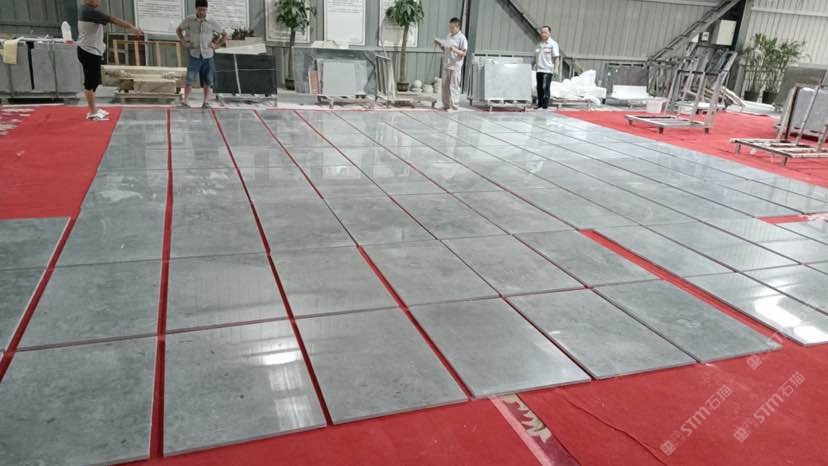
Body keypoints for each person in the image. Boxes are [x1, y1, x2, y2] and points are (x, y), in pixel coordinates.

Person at [76, 0, 143, 120]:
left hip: (91, 50)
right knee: (90, 82)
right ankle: (92, 112)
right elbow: (113, 19)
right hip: (88, 51)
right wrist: (132, 27)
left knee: (95, 80)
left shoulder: (87, 10)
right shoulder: (89, 12)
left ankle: (94, 108)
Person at [177, 0, 226, 108]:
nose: (202, 12)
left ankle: (206, 102)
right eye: (200, 10)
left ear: (206, 9)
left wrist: (216, 45)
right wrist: (184, 42)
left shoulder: (211, 21)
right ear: (196, 9)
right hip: (194, 55)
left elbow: (224, 34)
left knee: (207, 80)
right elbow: (178, 30)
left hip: (208, 56)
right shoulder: (189, 20)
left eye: (204, 10)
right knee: (189, 79)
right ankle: (185, 101)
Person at [434, 17, 468, 112]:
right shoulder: (448, 35)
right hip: (447, 64)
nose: (450, 29)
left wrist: (454, 49)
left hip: (455, 66)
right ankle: (446, 105)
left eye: (452, 27)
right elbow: (446, 49)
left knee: (454, 86)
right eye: (449, 27)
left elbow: (464, 53)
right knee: (444, 86)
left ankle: (454, 106)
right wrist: (440, 45)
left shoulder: (462, 38)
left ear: (458, 27)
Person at [533, 26, 560, 110]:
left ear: (549, 33)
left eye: (545, 32)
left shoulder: (553, 44)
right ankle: (540, 105)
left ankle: (544, 106)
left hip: (547, 70)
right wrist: (531, 65)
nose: (543, 34)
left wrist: (556, 68)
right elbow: (535, 57)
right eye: (542, 32)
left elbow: (556, 57)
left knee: (545, 88)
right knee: (539, 88)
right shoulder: (539, 44)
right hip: (539, 69)